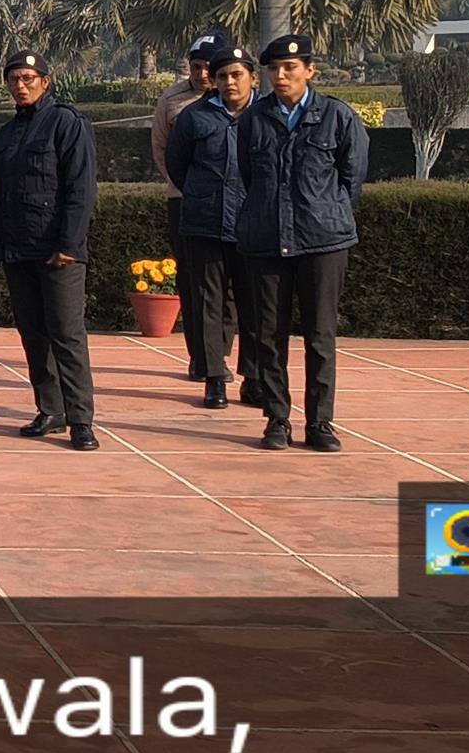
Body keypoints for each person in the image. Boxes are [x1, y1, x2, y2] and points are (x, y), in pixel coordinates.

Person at [236, 32, 368, 452]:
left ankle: (320, 422)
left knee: (320, 335)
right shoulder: (254, 120)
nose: (281, 76)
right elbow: (249, 175)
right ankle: (277, 419)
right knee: (268, 334)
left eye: (290, 68)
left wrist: (324, 211)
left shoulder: (337, 116)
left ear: (310, 71)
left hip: (323, 240)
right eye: (274, 69)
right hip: (267, 238)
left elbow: (351, 178)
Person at [0, 47, 99, 451]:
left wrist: (69, 243)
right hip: (18, 248)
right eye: (14, 79)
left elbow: (80, 188)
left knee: (67, 334)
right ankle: (50, 409)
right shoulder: (7, 133)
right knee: (34, 335)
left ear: (45, 82)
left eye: (28, 79)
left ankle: (81, 419)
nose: (21, 85)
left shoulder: (66, 123)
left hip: (57, 251)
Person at [162, 41, 255, 410]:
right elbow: (176, 163)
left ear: (252, 78)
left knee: (254, 303)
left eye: (237, 75)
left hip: (252, 224)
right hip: (205, 223)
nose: (229, 82)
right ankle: (214, 377)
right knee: (207, 303)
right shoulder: (194, 117)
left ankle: (255, 377)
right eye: (222, 76)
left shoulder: (264, 116)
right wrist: (201, 195)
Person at [149, 30, 230, 397]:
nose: (202, 74)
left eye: (209, 67)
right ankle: (201, 356)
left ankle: (219, 354)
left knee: (231, 285)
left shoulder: (238, 97)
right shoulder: (172, 100)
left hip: (233, 203)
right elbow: (163, 151)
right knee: (194, 282)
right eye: (196, 67)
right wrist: (188, 188)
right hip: (185, 201)